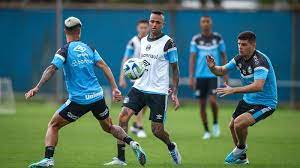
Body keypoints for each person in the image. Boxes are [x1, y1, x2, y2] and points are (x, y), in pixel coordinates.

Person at [25, 16, 146, 168]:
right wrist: (115, 88)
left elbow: (51, 69)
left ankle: (48, 159)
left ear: (65, 31)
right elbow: (105, 67)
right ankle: (132, 142)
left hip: (79, 101)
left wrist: (37, 87)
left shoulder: (64, 50)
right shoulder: (89, 48)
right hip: (97, 97)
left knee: (53, 125)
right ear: (79, 31)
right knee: (109, 127)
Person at [105, 10, 181, 166]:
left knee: (157, 131)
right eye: (152, 21)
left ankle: (171, 146)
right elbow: (141, 64)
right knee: (123, 117)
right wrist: (132, 72)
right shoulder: (143, 41)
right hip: (139, 87)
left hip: (158, 92)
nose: (153, 24)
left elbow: (175, 69)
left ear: (163, 24)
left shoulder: (168, 43)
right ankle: (121, 158)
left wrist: (175, 92)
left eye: (157, 22)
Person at [206, 31, 277, 164]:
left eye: (244, 44)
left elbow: (258, 86)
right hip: (248, 100)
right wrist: (212, 67)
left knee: (239, 123)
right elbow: (221, 70)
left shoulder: (260, 61)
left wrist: (234, 90)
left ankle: (240, 148)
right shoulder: (239, 58)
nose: (240, 47)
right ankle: (242, 158)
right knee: (232, 126)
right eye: (239, 44)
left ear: (253, 45)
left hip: (265, 103)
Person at [189, 15, 228, 140]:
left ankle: (215, 123)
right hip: (200, 76)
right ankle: (206, 130)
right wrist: (191, 76)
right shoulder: (196, 39)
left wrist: (225, 73)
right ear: (200, 24)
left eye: (207, 21)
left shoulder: (218, 38)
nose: (205, 23)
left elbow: (223, 56)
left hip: (213, 75)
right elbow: (192, 59)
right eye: (203, 22)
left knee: (212, 100)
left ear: (211, 23)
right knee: (201, 104)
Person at [119, 19, 149, 138]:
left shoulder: (152, 42)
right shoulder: (133, 42)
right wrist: (122, 77)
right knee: (141, 100)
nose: (143, 29)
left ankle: (136, 125)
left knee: (146, 103)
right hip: (137, 76)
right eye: (141, 27)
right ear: (137, 28)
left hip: (149, 76)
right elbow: (125, 59)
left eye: (145, 27)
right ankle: (140, 127)